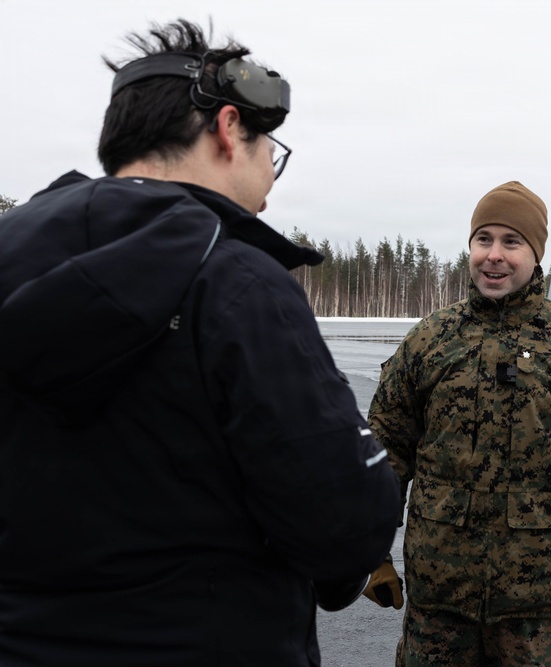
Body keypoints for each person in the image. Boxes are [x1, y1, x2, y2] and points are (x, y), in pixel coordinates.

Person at [0, 19, 400, 666]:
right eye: (270, 149)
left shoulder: (10, 254)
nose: (271, 172)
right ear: (228, 128)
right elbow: (343, 526)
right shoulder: (238, 281)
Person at [366, 181, 551, 666]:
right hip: (439, 601)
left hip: (541, 606)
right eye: (484, 239)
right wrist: (369, 554)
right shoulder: (431, 339)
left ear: (535, 255)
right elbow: (383, 453)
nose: (494, 255)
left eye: (511, 242)